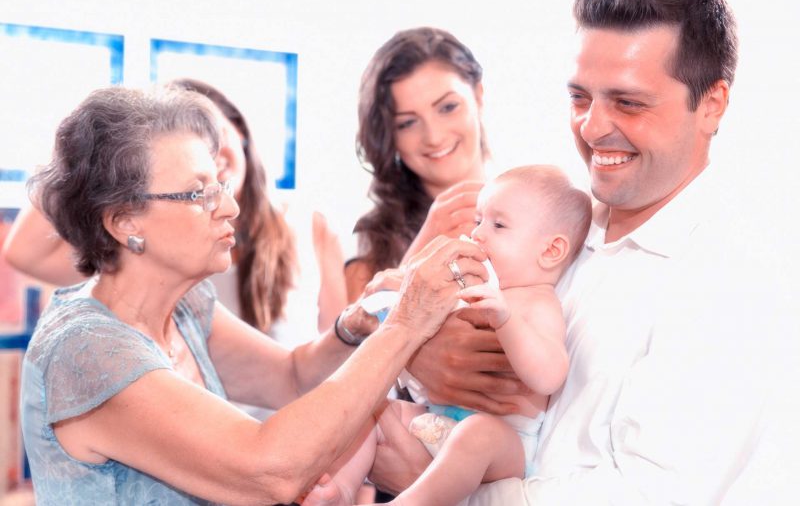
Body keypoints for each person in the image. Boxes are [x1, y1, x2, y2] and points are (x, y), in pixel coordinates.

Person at [367, 0, 789, 503]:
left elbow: (652, 492)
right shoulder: (551, 227)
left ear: (712, 104)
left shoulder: (733, 283)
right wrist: (419, 359)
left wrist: (445, 490)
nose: (591, 128)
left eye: (629, 103)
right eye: (579, 97)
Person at [19, 85, 489, 505]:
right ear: (124, 223)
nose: (229, 205)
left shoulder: (186, 305)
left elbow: (292, 377)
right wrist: (406, 324)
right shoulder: (87, 350)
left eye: (219, 184)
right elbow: (271, 470)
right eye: (197, 194)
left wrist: (352, 327)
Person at [303, 165, 591, 506]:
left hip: (504, 442)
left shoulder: (536, 303)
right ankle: (344, 489)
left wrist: (505, 319)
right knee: (370, 408)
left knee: (476, 435)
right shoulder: (472, 287)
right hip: (436, 419)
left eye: (498, 225)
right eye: (478, 220)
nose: (479, 234)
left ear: (550, 251)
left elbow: (549, 376)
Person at [1, 78, 346, 343]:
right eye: (190, 154)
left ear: (241, 130)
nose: (209, 156)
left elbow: (331, 353)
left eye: (214, 137)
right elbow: (23, 252)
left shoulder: (308, 224)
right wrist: (92, 147)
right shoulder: (146, 251)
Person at [345, 26, 489, 301]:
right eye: (407, 123)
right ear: (390, 135)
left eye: (448, 107)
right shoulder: (369, 243)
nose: (433, 137)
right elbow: (358, 341)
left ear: (479, 96)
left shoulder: (540, 208)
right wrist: (422, 249)